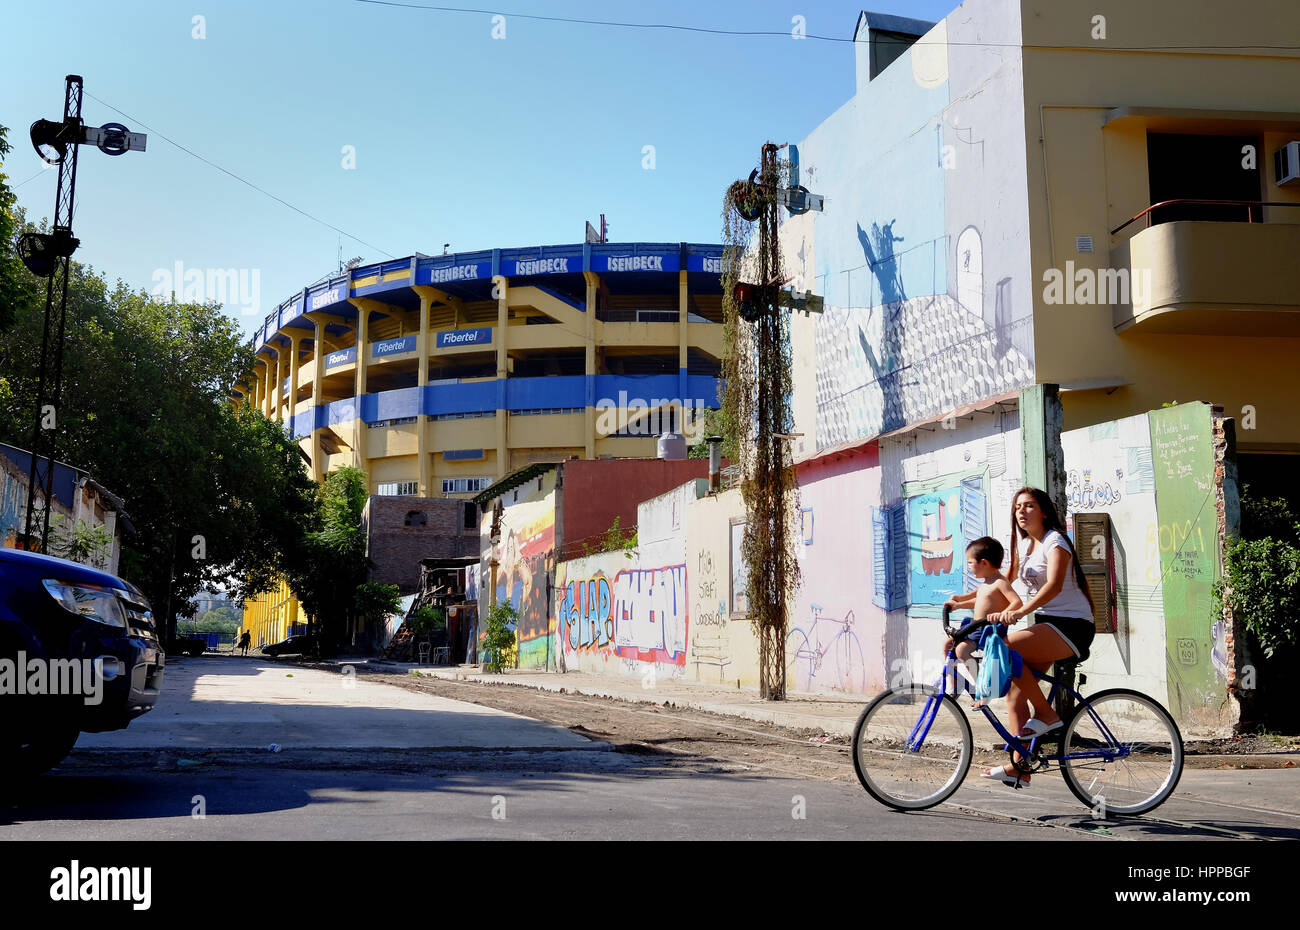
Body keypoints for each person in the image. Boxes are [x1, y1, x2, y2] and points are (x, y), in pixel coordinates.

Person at [981, 486, 1096, 788]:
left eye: (1029, 506)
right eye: (1018, 506)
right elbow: (1004, 589)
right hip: (1048, 625)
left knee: (1005, 650)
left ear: (1043, 511)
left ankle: (1046, 714)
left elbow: (1055, 586)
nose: (1021, 511)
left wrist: (1020, 613)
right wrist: (965, 608)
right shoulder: (1026, 547)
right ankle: (1020, 766)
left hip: (1072, 627)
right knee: (1015, 693)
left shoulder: (1055, 542)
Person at [941, 536, 1022, 702]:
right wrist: (958, 603)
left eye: (970, 562)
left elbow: (1016, 602)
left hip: (987, 629)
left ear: (984, 563)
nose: (969, 567)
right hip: (975, 626)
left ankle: (983, 688)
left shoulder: (1000, 582)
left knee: (961, 651)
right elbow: (979, 601)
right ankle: (954, 682)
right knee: (948, 645)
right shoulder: (987, 582)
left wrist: (1003, 614)